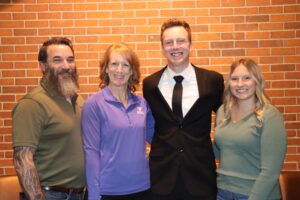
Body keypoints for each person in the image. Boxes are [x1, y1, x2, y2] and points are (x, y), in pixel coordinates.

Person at [143, 18, 224, 200]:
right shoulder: (150, 84)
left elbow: (226, 120)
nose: (175, 47)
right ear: (162, 47)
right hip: (161, 178)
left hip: (201, 176)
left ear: (190, 44)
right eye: (169, 42)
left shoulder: (212, 81)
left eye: (180, 41)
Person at [12, 37, 85, 200]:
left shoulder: (77, 99)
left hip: (78, 195)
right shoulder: (32, 104)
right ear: (43, 66)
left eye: (70, 60)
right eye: (57, 60)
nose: (66, 66)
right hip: (50, 195)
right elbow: (22, 159)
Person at [81, 43, 154, 200]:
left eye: (125, 65)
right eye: (114, 64)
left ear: (132, 71)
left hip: (143, 187)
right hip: (109, 191)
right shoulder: (94, 104)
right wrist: (94, 196)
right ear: (106, 68)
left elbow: (158, 138)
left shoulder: (142, 104)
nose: (119, 70)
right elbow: (91, 153)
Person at [213, 58, 287, 200]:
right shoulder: (223, 111)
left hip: (256, 194)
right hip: (222, 192)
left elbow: (270, 171)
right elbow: (219, 150)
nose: (240, 84)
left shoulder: (270, 115)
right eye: (235, 79)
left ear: (257, 81)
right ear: (229, 83)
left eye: (247, 78)